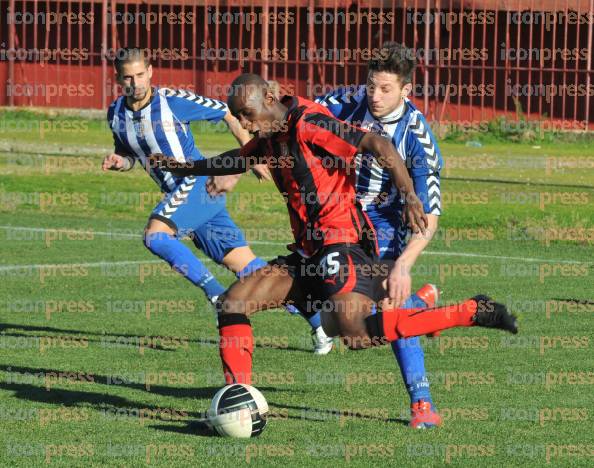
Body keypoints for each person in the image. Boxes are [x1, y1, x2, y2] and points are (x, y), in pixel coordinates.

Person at [150, 73, 518, 394]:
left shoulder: (309, 122)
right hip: (308, 253)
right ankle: (239, 397)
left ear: (269, 98)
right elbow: (235, 158)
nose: (245, 123)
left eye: (247, 115)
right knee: (233, 303)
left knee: (355, 335)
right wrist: (185, 167)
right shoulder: (269, 138)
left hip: (343, 243)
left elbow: (378, 144)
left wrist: (408, 196)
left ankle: (470, 311)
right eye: (240, 117)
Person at [315, 42, 444, 427]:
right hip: (338, 217)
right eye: (371, 86)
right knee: (337, 325)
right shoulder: (348, 100)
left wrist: (404, 266)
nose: (375, 96)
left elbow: (429, 217)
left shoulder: (418, 140)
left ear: (406, 91)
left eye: (386, 89)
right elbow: (301, 114)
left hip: (387, 226)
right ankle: (421, 307)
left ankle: (422, 405)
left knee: (391, 310)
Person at [102, 48, 270, 310]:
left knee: (155, 236)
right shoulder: (115, 114)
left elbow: (226, 111)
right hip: (191, 201)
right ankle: (317, 319)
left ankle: (216, 295)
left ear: (150, 72)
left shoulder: (173, 101)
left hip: (197, 184)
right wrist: (120, 162)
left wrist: (251, 155)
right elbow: (131, 154)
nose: (135, 83)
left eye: (139, 75)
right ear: (117, 78)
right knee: (251, 271)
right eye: (128, 78)